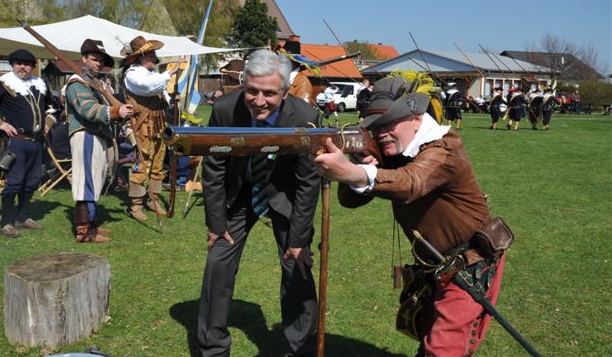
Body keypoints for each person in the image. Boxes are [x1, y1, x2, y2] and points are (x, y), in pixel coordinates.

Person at [313, 75, 510, 357]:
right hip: (435, 264)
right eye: (376, 126)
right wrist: (360, 163)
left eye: (390, 124)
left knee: (444, 348)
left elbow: (411, 182)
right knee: (432, 334)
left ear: (417, 118)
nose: (381, 133)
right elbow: (348, 201)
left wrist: (352, 172)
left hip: (471, 261)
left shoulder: (445, 148)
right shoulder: (395, 153)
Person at [197, 49, 320, 357]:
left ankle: (301, 350)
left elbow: (308, 181)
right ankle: (213, 350)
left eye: (269, 93)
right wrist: (216, 223)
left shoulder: (306, 118)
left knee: (297, 266)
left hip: (285, 195)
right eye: (252, 91)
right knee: (217, 265)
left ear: (286, 90)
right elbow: (214, 167)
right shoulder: (225, 110)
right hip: (240, 195)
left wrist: (299, 239)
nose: (258, 100)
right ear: (244, 83)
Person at [0, 49, 55, 238]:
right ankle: (6, 223)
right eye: (18, 63)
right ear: (12, 65)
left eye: (27, 64)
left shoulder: (40, 84)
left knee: (31, 182)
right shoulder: (3, 83)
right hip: (15, 143)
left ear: (32, 67)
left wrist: (48, 124)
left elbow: (54, 108)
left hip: (36, 143)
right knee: (14, 182)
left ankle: (22, 217)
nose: (22, 67)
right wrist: (0, 123)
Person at [64, 39, 134, 243]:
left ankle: (91, 225)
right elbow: (88, 110)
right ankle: (83, 231)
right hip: (85, 135)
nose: (98, 64)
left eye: (100, 61)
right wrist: (115, 110)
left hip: (98, 136)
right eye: (94, 59)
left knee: (94, 181)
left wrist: (120, 113)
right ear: (83, 59)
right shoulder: (76, 84)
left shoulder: (96, 85)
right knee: (85, 183)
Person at [119, 36, 180, 221]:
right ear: (141, 57)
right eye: (151, 54)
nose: (155, 57)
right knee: (141, 164)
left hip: (159, 124)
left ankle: (152, 199)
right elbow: (148, 87)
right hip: (142, 126)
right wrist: (169, 74)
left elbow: (161, 96)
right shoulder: (133, 74)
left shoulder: (153, 75)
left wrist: (172, 99)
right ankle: (136, 206)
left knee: (157, 164)